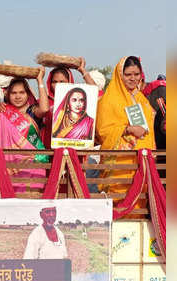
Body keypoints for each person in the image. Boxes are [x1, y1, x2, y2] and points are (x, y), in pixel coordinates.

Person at [96, 56, 155, 218]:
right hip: (119, 167)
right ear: (119, 75)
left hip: (141, 164)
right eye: (128, 74)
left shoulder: (142, 99)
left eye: (136, 74)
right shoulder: (109, 100)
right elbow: (103, 131)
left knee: (139, 209)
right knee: (119, 209)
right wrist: (128, 129)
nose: (133, 78)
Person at [0, 67, 49, 192]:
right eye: (14, 93)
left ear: (27, 94)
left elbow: (44, 109)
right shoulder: (2, 112)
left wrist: (40, 80)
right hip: (10, 167)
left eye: (22, 93)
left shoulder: (32, 111)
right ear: (7, 94)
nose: (18, 97)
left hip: (34, 166)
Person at [42, 57, 97, 148]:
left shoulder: (86, 117)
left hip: (76, 152)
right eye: (54, 82)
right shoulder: (44, 103)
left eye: (62, 81)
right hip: (48, 152)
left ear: (69, 81)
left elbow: (95, 93)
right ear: (49, 83)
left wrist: (83, 71)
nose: (58, 85)